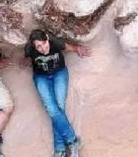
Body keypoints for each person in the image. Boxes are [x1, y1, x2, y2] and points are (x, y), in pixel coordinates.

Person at [19, 29, 92, 157]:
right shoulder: (30, 49)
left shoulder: (56, 43)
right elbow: (30, 57)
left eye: (44, 43)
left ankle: (59, 149)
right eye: (38, 47)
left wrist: (78, 48)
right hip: (41, 77)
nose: (42, 48)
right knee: (52, 109)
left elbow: (69, 47)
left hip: (59, 74)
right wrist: (29, 60)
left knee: (59, 108)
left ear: (47, 38)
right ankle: (73, 140)